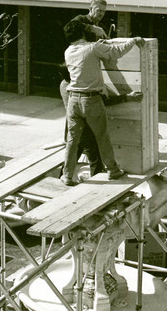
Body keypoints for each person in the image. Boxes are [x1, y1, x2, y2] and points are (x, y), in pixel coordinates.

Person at [62, 18, 144, 186]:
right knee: (102, 138)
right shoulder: (93, 48)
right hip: (90, 101)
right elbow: (116, 51)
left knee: (72, 140)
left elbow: (87, 53)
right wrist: (133, 40)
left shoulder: (68, 51)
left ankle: (67, 176)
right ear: (84, 33)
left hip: (73, 101)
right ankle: (113, 171)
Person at [58, 63, 142, 178]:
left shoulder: (64, 84)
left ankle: (64, 177)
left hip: (74, 124)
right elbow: (102, 101)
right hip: (85, 127)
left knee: (74, 152)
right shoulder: (78, 88)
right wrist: (127, 97)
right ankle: (94, 182)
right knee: (95, 157)